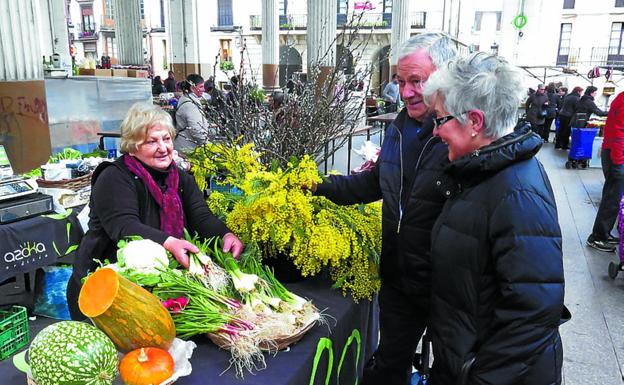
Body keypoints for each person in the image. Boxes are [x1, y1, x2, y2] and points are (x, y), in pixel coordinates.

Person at [311, 32, 457, 385]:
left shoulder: (463, 136)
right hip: (400, 276)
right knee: (389, 365)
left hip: (448, 287)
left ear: (445, 76)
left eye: (417, 81)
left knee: (452, 372)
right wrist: (318, 186)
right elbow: (376, 182)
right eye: (400, 81)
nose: (406, 92)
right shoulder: (399, 127)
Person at [423, 52, 567, 385]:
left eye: (441, 119)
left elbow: (533, 313)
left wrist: (477, 375)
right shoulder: (480, 173)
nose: (435, 131)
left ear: (474, 121)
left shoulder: (516, 191)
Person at [66, 103, 243, 319]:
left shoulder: (179, 178)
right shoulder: (114, 178)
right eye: (152, 141)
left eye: (166, 139)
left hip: (152, 288)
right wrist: (170, 242)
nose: (163, 147)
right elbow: (124, 227)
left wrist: (225, 234)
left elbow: (201, 216)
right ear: (132, 146)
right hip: (103, 290)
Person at [587, 91, 624, 252]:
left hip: (613, 152)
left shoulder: (621, 97)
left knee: (612, 197)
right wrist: (619, 161)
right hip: (616, 155)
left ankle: (604, 233)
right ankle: (598, 237)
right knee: (612, 198)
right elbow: (619, 132)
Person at [175, 73, 212, 151]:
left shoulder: (186, 100)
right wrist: (207, 145)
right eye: (201, 87)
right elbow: (196, 130)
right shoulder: (190, 106)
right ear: (192, 88)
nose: (204, 89)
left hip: (185, 144)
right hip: (188, 147)